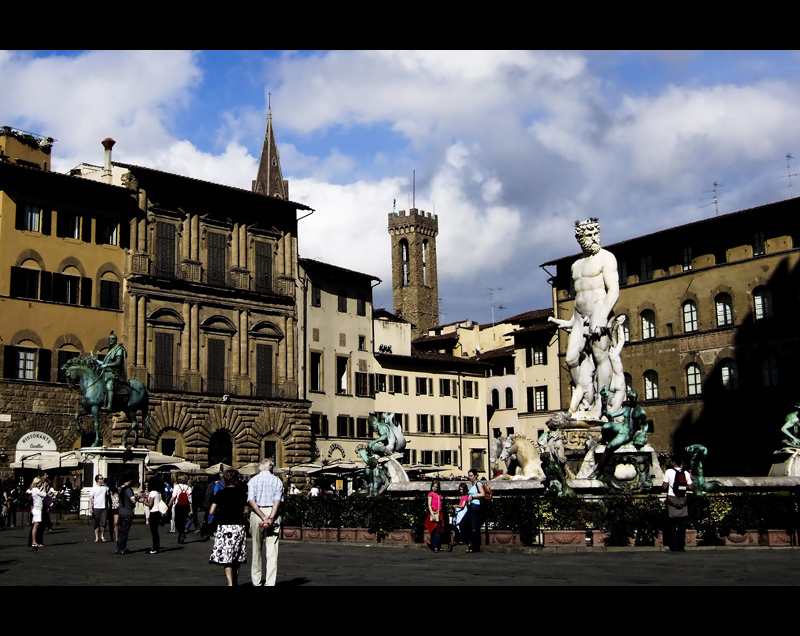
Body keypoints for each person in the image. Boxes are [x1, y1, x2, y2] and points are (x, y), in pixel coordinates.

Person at [548, 218, 620, 414]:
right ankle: (587, 393)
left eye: (593, 234)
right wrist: (570, 321)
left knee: (600, 357)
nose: (591, 239)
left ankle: (601, 404)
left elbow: (613, 290)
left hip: (598, 312)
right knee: (571, 359)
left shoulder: (607, 258)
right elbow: (580, 295)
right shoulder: (575, 265)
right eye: (585, 236)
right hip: (579, 316)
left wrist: (603, 316)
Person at [208, 468, 248, 586]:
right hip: (238, 527)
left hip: (225, 527)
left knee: (227, 557)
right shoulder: (241, 494)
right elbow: (246, 511)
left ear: (224, 480)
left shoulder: (220, 493)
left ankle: (230, 583)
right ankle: (235, 581)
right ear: (236, 480)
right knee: (237, 556)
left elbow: (211, 511)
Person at [247, 458, 283, 586]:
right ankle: (270, 582)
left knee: (256, 549)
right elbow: (277, 501)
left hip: (258, 514)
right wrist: (271, 517)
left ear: (260, 467)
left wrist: (263, 517)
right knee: (272, 550)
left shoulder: (253, 481)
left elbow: (251, 501)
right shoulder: (277, 481)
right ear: (271, 467)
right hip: (272, 513)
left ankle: (256, 581)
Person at [662, 455, 692, 552]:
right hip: (683, 499)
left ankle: (674, 546)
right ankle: (681, 546)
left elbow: (664, 486)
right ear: (682, 464)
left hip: (672, 498)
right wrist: (683, 487)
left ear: (673, 463)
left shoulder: (668, 472)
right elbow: (691, 487)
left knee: (672, 524)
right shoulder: (686, 473)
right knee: (682, 524)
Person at [100, 330, 127, 412]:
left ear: (115, 340)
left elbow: (118, 362)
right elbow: (105, 363)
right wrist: (97, 361)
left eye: (112, 339)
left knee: (109, 386)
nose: (110, 340)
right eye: (109, 339)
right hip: (107, 372)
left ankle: (109, 406)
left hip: (114, 373)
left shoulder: (119, 349)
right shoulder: (110, 350)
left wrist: (107, 365)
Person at [464, 469, 485, 553]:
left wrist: (473, 496)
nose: (470, 477)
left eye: (471, 476)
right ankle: (471, 544)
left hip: (475, 506)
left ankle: (475, 546)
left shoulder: (478, 484)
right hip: (470, 506)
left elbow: (482, 494)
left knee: (474, 526)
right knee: (466, 524)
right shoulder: (472, 485)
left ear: (475, 476)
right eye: (469, 476)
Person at [116, 473, 137, 555]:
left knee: (121, 531)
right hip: (127, 512)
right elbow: (133, 500)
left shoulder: (120, 488)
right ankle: (122, 548)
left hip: (121, 511)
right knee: (125, 531)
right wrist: (137, 497)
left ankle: (119, 547)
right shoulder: (128, 489)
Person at [168, 474, 192, 544]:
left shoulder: (176, 487)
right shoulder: (189, 488)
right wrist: (191, 510)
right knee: (183, 521)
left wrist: (169, 504)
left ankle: (181, 533)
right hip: (185, 506)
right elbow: (190, 501)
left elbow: (173, 496)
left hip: (178, 506)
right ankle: (182, 533)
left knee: (177, 521)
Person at [424, 479, 445, 553]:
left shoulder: (439, 495)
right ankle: (435, 546)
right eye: (433, 486)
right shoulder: (431, 494)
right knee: (434, 530)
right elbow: (429, 504)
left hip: (439, 513)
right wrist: (432, 513)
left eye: (436, 487)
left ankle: (437, 545)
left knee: (438, 530)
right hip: (433, 512)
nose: (434, 488)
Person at [89, 474, 110, 543]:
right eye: (101, 478)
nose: (102, 479)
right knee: (96, 523)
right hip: (96, 507)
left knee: (103, 523)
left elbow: (107, 497)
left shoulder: (105, 488)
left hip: (104, 507)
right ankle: (96, 537)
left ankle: (102, 536)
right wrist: (90, 507)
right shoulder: (93, 488)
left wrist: (108, 504)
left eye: (102, 478)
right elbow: (90, 498)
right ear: (98, 480)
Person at [27, 477, 47, 548]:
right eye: (40, 482)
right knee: (36, 525)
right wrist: (44, 487)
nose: (41, 484)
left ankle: (34, 541)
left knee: (36, 525)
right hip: (37, 509)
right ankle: (34, 542)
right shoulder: (35, 489)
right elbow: (44, 494)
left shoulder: (36, 490)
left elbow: (41, 497)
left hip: (38, 508)